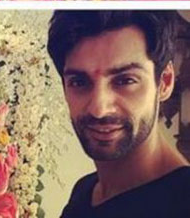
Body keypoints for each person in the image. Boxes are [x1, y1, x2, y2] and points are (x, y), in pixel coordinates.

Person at [47, 11, 190, 218]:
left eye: (125, 81)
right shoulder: (85, 191)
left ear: (165, 82)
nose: (99, 109)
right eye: (79, 82)